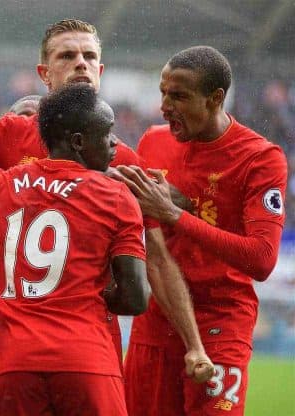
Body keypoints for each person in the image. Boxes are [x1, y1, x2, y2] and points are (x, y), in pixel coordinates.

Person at [0, 18, 213, 381]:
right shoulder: (11, 133)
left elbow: (156, 259)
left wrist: (194, 343)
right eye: (67, 56)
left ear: (101, 70)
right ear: (44, 72)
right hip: (7, 343)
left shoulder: (121, 160)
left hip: (87, 347)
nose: (80, 64)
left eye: (89, 56)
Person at [0, 82, 149, 415]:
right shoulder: (116, 196)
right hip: (87, 361)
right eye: (107, 133)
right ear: (79, 142)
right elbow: (136, 298)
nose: (114, 143)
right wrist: (91, 292)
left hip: (15, 365)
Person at [114, 46, 288, 415]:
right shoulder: (153, 141)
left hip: (220, 320)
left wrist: (176, 215)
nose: (164, 106)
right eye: (162, 92)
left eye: (178, 96)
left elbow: (262, 259)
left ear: (215, 98)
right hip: (157, 321)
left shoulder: (259, 158)